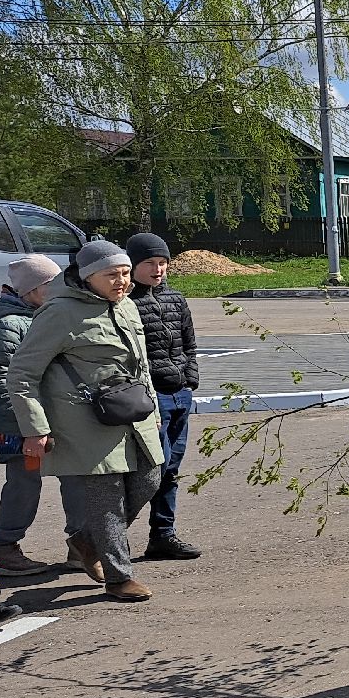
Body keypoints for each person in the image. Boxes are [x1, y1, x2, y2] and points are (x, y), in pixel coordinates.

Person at [4, 239, 165, 603]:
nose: (122, 282)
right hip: (82, 421)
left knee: (149, 478)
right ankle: (118, 577)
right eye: (112, 275)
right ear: (89, 276)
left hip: (132, 414)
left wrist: (152, 410)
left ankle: (86, 541)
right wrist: (36, 428)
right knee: (105, 498)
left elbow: (142, 365)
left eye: (125, 274)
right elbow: (22, 374)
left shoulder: (126, 307)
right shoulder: (59, 312)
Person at [0, 255, 68, 580]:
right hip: (24, 428)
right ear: (32, 288)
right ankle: (4, 547)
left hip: (39, 423)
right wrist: (27, 428)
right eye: (51, 285)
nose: (57, 290)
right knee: (24, 484)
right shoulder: (7, 323)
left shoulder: (30, 315)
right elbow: (1, 380)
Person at [125, 233, 202, 561]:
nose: (157, 270)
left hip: (179, 394)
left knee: (171, 470)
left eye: (162, 263)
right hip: (150, 398)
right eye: (149, 264)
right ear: (132, 265)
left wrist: (190, 377)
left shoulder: (176, 298)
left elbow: (189, 341)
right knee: (152, 470)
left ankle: (162, 535)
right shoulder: (126, 303)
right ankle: (101, 538)